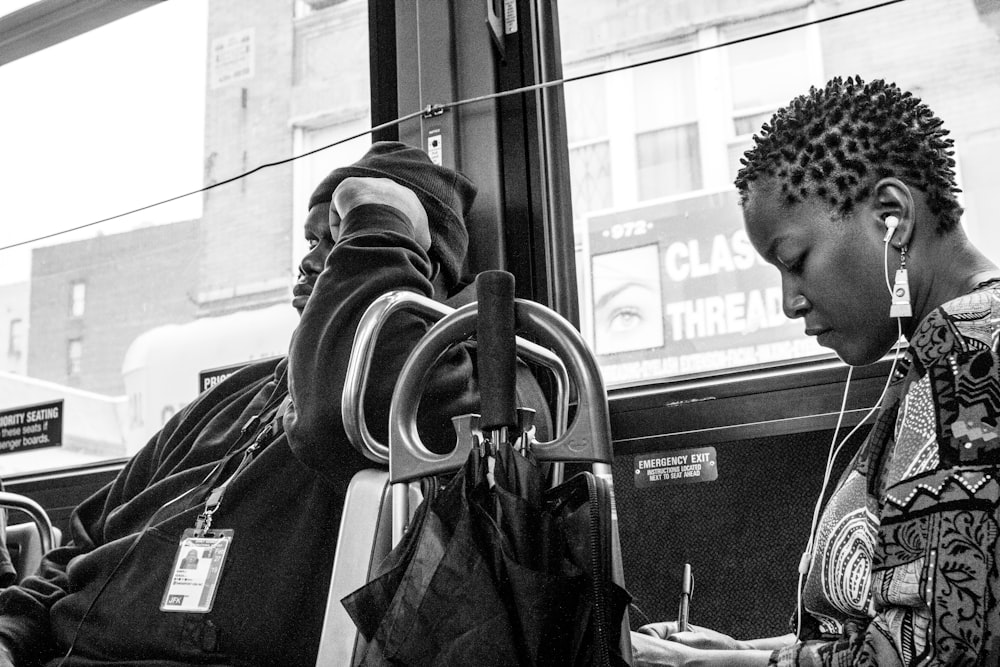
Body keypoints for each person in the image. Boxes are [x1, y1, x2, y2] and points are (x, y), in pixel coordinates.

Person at [0, 142, 550, 666]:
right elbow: (84, 540)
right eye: (311, 243)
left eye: (339, 241)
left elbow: (349, 412)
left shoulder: (439, 384)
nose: (310, 263)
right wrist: (10, 636)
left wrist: (377, 221)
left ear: (411, 261)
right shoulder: (232, 396)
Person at [631, 76, 1000, 665]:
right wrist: (741, 650)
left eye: (795, 262)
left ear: (891, 217)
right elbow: (893, 625)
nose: (790, 301)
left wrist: (712, 666)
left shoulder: (970, 353)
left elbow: (942, 651)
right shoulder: (941, 350)